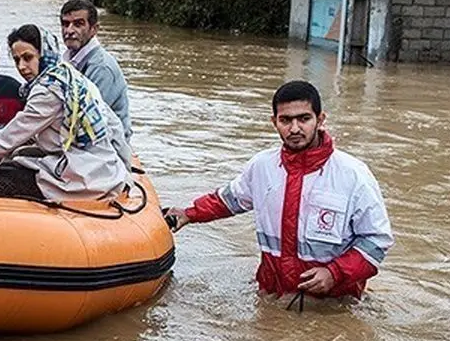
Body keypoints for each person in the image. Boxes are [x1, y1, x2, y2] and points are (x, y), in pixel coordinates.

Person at [166, 80, 393, 300]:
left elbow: (377, 240)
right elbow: (228, 201)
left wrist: (335, 273)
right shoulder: (262, 166)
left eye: (304, 119)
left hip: (333, 303)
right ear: (274, 122)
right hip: (271, 294)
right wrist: (188, 214)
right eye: (286, 120)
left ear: (320, 119)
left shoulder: (353, 174)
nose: (294, 128)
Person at [0, 24, 132, 202]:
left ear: (44, 54)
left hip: (85, 176)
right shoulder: (71, 77)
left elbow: (11, 135)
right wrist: (126, 170)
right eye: (17, 60)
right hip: (105, 168)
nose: (22, 67)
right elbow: (114, 125)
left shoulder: (47, 90)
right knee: (19, 154)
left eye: (28, 58)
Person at [59, 0, 132, 140]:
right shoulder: (69, 59)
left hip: (109, 145)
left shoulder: (101, 67)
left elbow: (91, 119)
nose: (69, 30)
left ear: (94, 29)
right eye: (65, 24)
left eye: (78, 24)